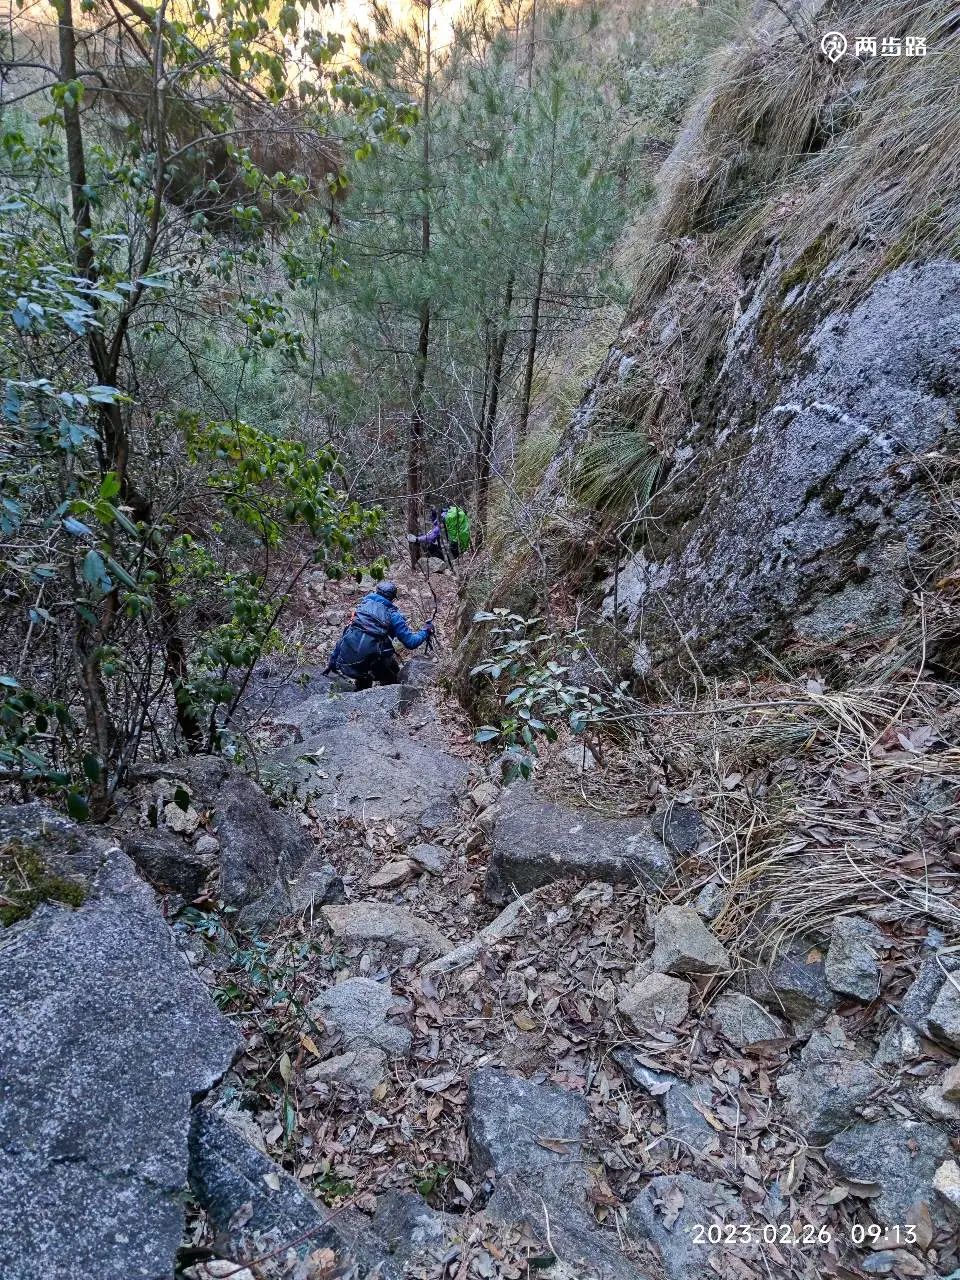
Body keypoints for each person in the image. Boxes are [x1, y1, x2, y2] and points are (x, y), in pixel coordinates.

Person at [326, 582, 434, 689]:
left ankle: (361, 689)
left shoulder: (362, 606)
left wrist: (332, 663)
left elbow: (345, 635)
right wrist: (425, 631)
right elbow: (411, 643)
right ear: (392, 598)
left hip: (346, 663)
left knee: (379, 667)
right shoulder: (394, 616)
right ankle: (389, 692)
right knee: (392, 674)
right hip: (370, 664)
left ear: (376, 592)